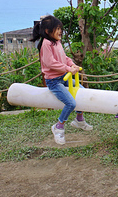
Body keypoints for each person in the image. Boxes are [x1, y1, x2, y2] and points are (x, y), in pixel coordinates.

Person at [33, 15, 92, 145]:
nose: (60, 31)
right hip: (54, 81)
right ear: (48, 31)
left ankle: (79, 119)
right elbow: (50, 63)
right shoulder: (46, 44)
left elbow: (63, 57)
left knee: (81, 92)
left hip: (64, 77)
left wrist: (71, 64)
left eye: (60, 28)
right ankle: (58, 127)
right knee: (70, 103)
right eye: (57, 29)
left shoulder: (56, 42)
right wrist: (67, 69)